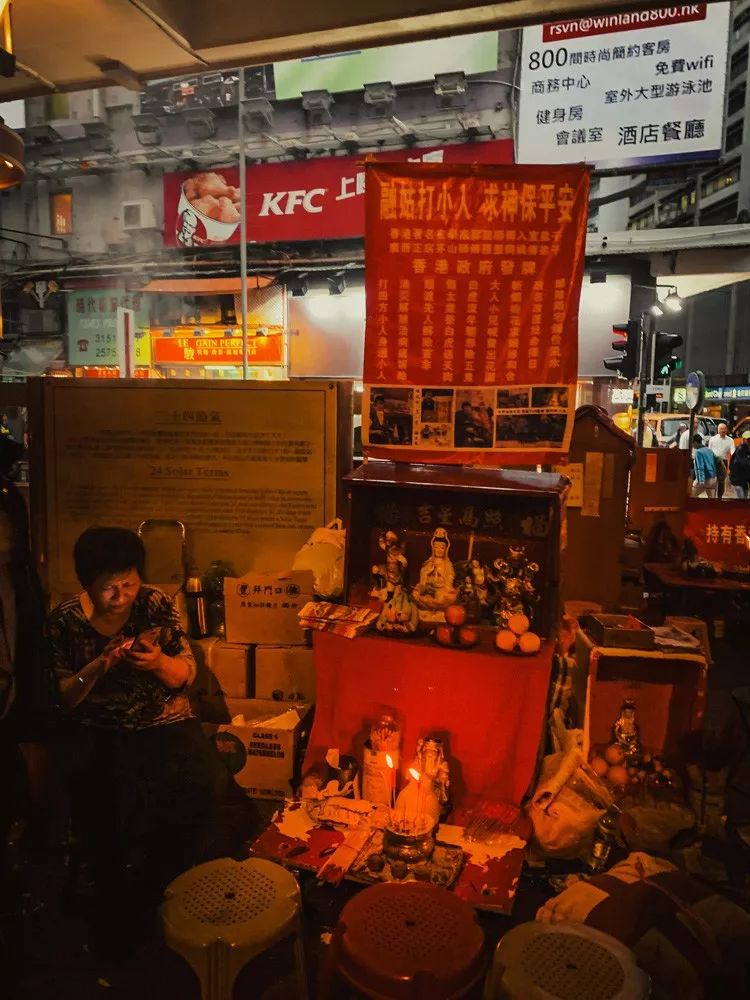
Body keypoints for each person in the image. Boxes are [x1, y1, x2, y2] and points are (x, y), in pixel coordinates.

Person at [47, 527, 220, 956]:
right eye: (109, 588)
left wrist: (158, 661)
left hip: (164, 722)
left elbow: (185, 674)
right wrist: (100, 666)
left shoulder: (154, 604)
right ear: (87, 583)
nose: (122, 595)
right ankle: (119, 920)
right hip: (102, 731)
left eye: (129, 582)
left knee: (203, 788)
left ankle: (173, 900)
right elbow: (63, 698)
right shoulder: (64, 622)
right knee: (111, 808)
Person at [708, 422, 735, 499]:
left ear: (726, 430)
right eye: (721, 429)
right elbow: (709, 451)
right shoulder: (712, 439)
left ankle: (719, 496)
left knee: (721, 480)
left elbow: (733, 452)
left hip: (723, 461)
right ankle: (711, 496)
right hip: (713, 460)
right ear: (718, 430)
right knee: (712, 479)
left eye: (724, 429)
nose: (722, 430)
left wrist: (732, 465)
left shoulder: (730, 440)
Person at [692, 433, 718, 498]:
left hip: (704, 479)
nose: (692, 445)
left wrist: (701, 481)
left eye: (692, 443)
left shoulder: (698, 452)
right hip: (713, 478)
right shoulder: (709, 450)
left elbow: (700, 467)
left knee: (691, 496)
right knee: (711, 499)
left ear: (695, 442)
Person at [729, 430, 750, 500]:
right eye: (748, 440)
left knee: (745, 497)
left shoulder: (747, 449)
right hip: (737, 479)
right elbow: (743, 462)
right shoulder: (741, 449)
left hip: (743, 480)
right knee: (741, 499)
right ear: (744, 440)